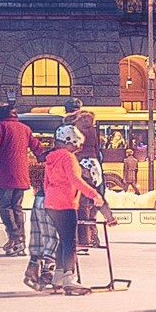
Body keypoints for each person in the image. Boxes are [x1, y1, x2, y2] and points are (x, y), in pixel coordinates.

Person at [42, 125, 110, 294]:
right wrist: (94, 195)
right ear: (70, 142)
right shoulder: (68, 158)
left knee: (63, 240)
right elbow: (76, 180)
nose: (78, 148)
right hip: (65, 204)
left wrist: (50, 197)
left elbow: (46, 183)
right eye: (77, 144)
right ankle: (68, 278)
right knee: (70, 242)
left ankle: (58, 277)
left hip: (50, 203)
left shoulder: (50, 158)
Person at [0, 103, 37, 255]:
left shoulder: (0, 127)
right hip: (21, 175)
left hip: (5, 175)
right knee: (17, 208)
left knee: (5, 207)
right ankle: (20, 240)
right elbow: (39, 150)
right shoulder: (25, 129)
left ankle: (15, 239)